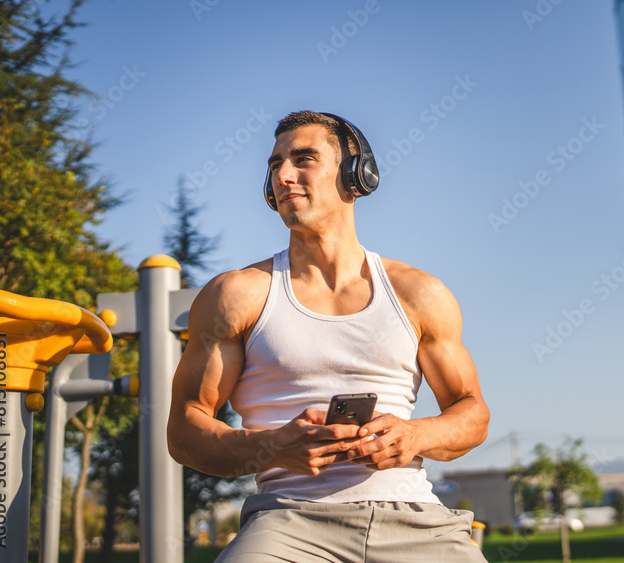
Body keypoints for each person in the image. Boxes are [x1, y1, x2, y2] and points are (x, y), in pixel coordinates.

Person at [167, 111, 490, 562]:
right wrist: (271, 447)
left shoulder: (418, 293)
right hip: (288, 522)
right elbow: (185, 431)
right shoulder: (235, 295)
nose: (282, 174)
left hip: (414, 518)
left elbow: (471, 414)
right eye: (275, 164)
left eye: (303, 159)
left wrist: (414, 436)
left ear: (357, 174)